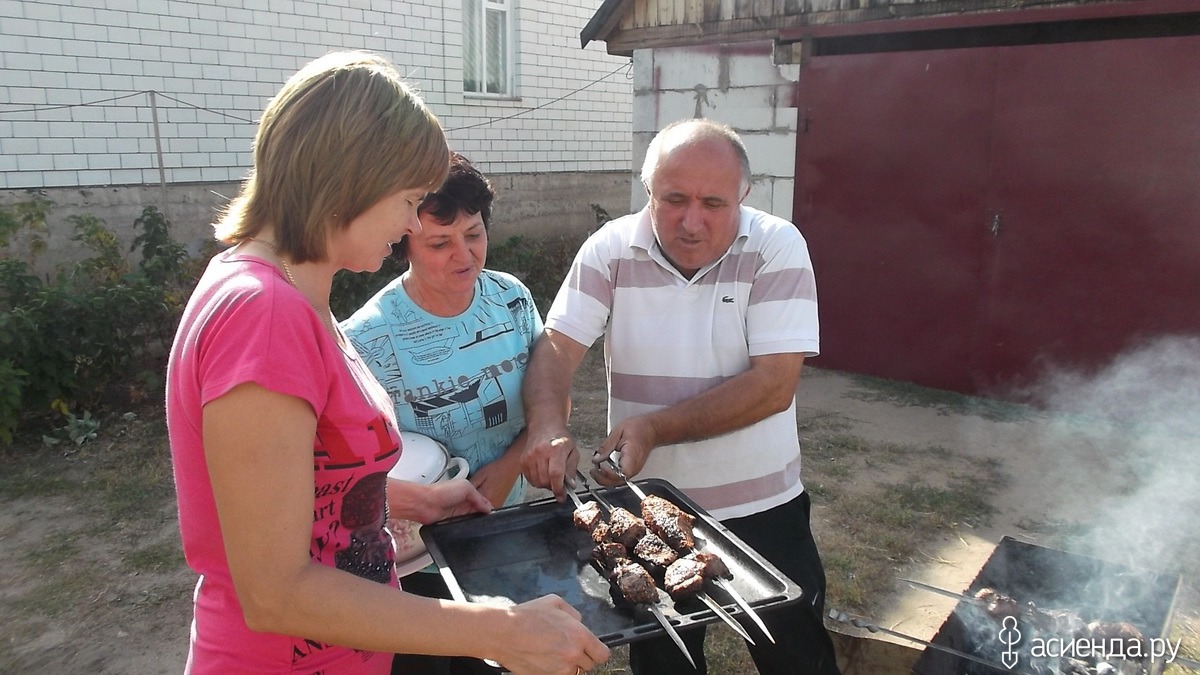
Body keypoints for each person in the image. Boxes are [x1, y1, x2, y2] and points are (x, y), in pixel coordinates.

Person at [165, 50, 608, 675]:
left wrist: (406, 500)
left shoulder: (292, 297)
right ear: (349, 182)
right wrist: (497, 630)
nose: (407, 223)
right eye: (407, 200)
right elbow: (274, 590)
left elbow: (304, 491)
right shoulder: (262, 314)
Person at [520, 118, 840, 674]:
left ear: (743, 193)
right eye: (673, 199)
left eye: (713, 203)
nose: (691, 222)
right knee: (666, 663)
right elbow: (556, 346)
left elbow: (773, 385)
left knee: (798, 660)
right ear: (649, 191)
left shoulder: (776, 247)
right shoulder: (610, 249)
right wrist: (549, 424)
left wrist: (655, 428)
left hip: (762, 511)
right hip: (644, 514)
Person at [341, 152, 541, 674]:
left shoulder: (512, 301)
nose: (464, 256)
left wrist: (511, 465)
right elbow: (348, 468)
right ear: (404, 240)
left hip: (509, 525)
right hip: (416, 555)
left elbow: (548, 396)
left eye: (474, 235)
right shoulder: (368, 337)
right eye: (440, 243)